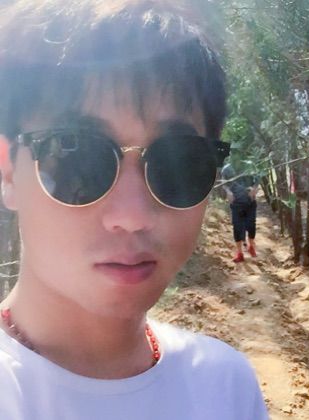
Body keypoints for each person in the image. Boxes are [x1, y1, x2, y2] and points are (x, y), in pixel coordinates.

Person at [0, 1, 269, 419]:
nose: (133, 216)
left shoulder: (227, 386)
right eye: (77, 157)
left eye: (177, 162)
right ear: (7, 173)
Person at [221, 161, 259, 263]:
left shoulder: (250, 164)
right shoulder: (226, 169)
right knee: (237, 227)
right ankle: (240, 253)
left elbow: (257, 179)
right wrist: (228, 192)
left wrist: (254, 189)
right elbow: (224, 183)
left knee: (251, 226)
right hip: (236, 203)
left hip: (250, 203)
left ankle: (251, 246)